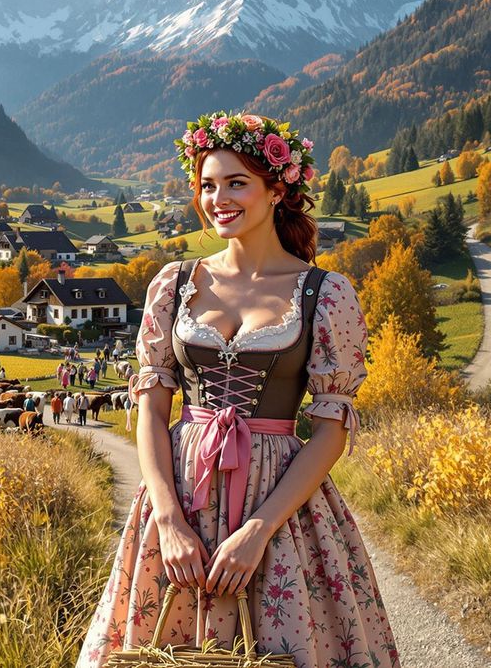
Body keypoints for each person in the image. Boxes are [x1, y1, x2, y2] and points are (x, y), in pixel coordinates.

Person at [75, 111, 398, 667]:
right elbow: (152, 411)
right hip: (182, 492)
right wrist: (168, 519)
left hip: (279, 505)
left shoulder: (325, 294)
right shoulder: (174, 283)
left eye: (236, 183)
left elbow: (330, 432)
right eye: (207, 185)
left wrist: (258, 530)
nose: (217, 199)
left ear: (277, 190)